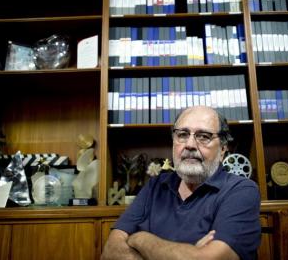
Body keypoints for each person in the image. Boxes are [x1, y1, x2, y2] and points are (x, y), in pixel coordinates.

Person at [101, 106, 261, 260]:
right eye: (182, 134)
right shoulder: (154, 186)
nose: (190, 145)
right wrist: (188, 253)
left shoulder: (241, 191)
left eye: (204, 136)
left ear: (223, 150)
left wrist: (140, 239)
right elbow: (110, 252)